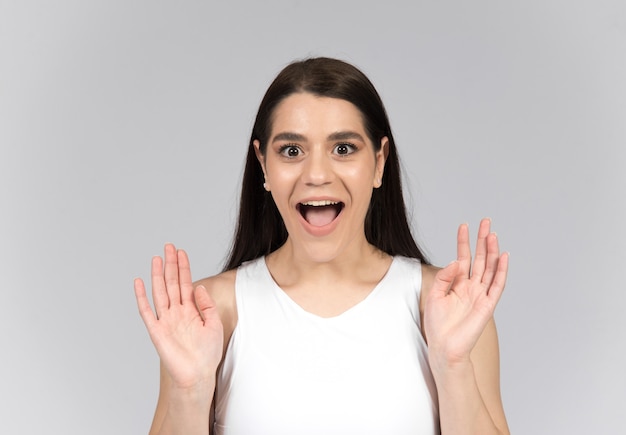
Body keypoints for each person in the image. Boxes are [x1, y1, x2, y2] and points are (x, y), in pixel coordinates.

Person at [134, 57, 510, 435]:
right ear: (263, 164)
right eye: (292, 151)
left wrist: (454, 365)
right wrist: (189, 393)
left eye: (343, 149)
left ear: (379, 162)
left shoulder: (445, 308)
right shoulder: (210, 313)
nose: (316, 175)